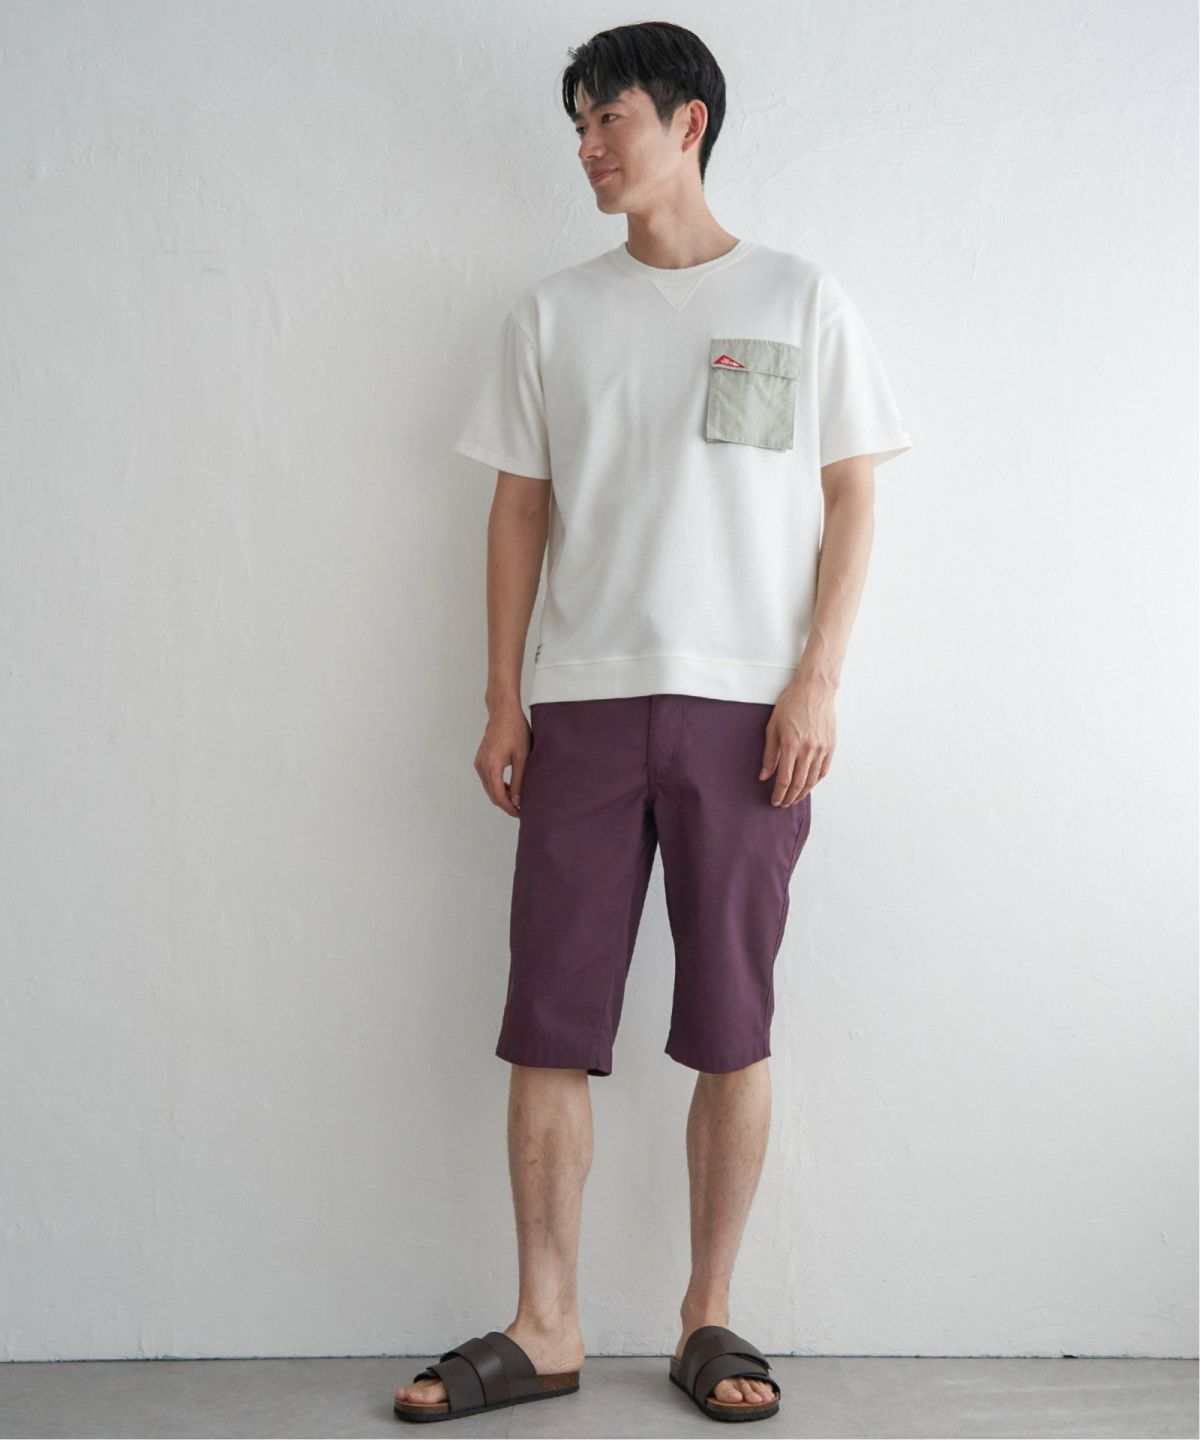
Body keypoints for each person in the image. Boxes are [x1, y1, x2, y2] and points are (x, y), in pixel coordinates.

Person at [395, 20, 912, 1427]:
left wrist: (819, 680)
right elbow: (518, 509)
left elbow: (854, 494)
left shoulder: (801, 297)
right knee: (547, 1020)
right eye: (576, 125)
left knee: (733, 1022)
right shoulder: (553, 314)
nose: (586, 147)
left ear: (688, 124)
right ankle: (546, 1324)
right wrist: (501, 694)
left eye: (606, 117)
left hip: (751, 714)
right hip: (581, 705)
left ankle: (708, 1314)